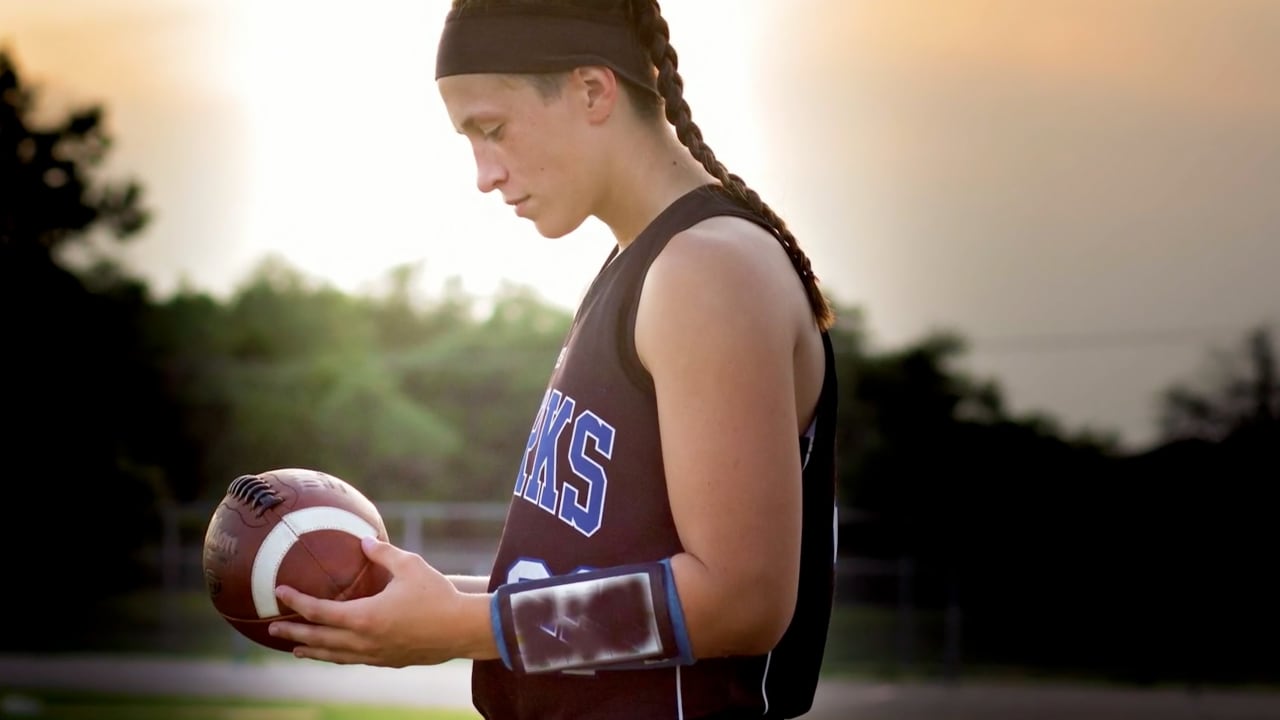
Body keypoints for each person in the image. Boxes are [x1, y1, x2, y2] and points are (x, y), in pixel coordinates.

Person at [267, 1, 840, 717]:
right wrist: (435, 604)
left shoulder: (708, 271)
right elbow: (591, 578)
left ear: (593, 90)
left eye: (493, 129)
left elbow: (740, 599)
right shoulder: (644, 264)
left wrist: (460, 626)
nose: (483, 173)